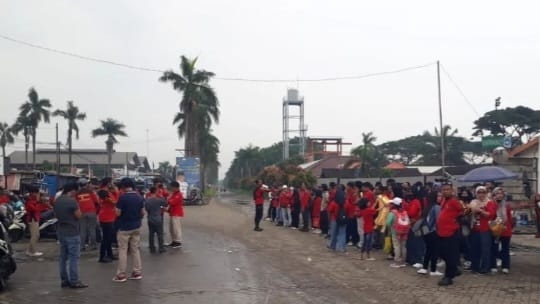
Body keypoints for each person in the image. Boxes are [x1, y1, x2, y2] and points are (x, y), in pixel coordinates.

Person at [54, 182, 87, 289]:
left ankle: (64, 280)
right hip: (72, 232)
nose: (76, 193)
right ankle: (74, 281)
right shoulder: (72, 201)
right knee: (73, 258)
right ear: (72, 190)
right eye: (76, 191)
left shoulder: (57, 200)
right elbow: (79, 216)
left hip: (61, 231)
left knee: (63, 257)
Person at [113, 178, 145, 283]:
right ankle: (137, 272)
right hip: (137, 226)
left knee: (123, 250)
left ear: (123, 187)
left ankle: (121, 274)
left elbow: (117, 213)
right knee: (135, 250)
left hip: (124, 228)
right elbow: (143, 213)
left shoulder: (123, 198)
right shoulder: (139, 197)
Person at [436, 183, 464, 286]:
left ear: (452, 191)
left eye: (447, 189)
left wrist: (455, 219)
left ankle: (448, 277)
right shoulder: (444, 201)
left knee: (450, 255)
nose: (445, 191)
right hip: (442, 232)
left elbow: (463, 210)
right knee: (441, 253)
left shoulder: (454, 201)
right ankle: (454, 268)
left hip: (451, 232)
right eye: (443, 190)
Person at [469, 186, 497, 275]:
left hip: (485, 229)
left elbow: (490, 215)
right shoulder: (473, 202)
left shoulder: (489, 203)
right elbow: (468, 212)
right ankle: (475, 267)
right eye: (479, 192)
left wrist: (479, 211)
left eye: (483, 192)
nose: (481, 194)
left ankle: (485, 268)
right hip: (474, 228)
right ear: (476, 193)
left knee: (485, 249)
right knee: (474, 249)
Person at [417, 191, 442, 276]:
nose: (440, 197)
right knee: (434, 251)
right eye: (438, 196)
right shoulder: (437, 207)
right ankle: (433, 270)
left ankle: (424, 267)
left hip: (426, 231)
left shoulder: (427, 207)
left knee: (428, 250)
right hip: (434, 231)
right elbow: (439, 220)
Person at [490, 187, 512, 274]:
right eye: (497, 193)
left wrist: (508, 227)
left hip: (505, 230)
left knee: (505, 249)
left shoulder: (506, 205)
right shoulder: (491, 204)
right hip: (495, 230)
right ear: (494, 195)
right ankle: (493, 265)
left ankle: (505, 266)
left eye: (501, 193)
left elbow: (510, 219)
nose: (499, 195)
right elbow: (490, 217)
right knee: (494, 249)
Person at [76, 180, 99, 251]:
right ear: (86, 185)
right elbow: (97, 201)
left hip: (82, 213)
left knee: (82, 230)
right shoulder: (90, 192)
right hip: (91, 212)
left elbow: (76, 204)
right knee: (92, 229)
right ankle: (93, 245)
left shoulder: (77, 194)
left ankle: (81, 246)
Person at [97, 180, 117, 263]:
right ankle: (102, 256)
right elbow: (115, 202)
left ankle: (109, 254)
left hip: (108, 217)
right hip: (106, 218)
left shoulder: (106, 193)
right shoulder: (104, 194)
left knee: (108, 238)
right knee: (106, 238)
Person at [386, 197, 409, 268]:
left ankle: (397, 262)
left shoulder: (392, 213)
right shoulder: (404, 211)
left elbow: (388, 223)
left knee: (397, 246)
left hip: (395, 231)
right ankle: (403, 261)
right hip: (404, 232)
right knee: (403, 246)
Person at [145, 186, 168, 253]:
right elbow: (166, 203)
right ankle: (161, 248)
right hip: (158, 218)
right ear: (155, 192)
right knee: (159, 234)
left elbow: (147, 209)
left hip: (150, 218)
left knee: (151, 234)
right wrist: (161, 196)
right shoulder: (158, 200)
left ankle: (152, 248)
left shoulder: (147, 200)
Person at [25, 187, 47, 257]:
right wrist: (39, 201)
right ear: (32, 193)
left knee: (35, 235)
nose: (37, 194)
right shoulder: (29, 201)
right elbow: (35, 209)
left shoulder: (33, 200)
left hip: (35, 219)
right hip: (32, 219)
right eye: (36, 193)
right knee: (35, 235)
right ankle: (32, 251)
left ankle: (29, 250)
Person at [167, 181, 184, 248]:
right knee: (172, 228)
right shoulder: (174, 194)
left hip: (177, 213)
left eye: (172, 187)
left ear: (175, 187)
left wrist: (168, 200)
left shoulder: (179, 194)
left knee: (176, 228)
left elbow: (172, 202)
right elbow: (170, 201)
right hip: (172, 213)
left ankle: (178, 242)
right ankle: (174, 241)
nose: (171, 188)